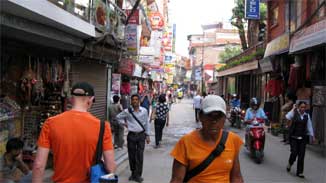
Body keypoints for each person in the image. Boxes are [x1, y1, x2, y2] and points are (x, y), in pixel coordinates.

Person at [32, 82, 116, 183]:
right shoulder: (103, 126)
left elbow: (38, 165)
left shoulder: (50, 123)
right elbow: (110, 166)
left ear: (71, 100)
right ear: (91, 100)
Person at [170, 95, 244, 183]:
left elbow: (236, 177)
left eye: (218, 116)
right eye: (209, 116)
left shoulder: (233, 140)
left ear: (224, 119)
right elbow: (177, 179)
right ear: (200, 117)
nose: (214, 121)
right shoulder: (186, 142)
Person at [116, 94, 151, 183]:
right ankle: (133, 173)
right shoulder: (127, 111)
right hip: (131, 135)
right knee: (131, 155)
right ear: (131, 101)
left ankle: (138, 175)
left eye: (136, 99)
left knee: (139, 155)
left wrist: (147, 135)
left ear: (139, 101)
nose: (135, 101)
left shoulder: (144, 111)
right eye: (133, 100)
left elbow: (147, 123)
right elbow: (118, 117)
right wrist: (124, 124)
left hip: (141, 135)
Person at [285, 101, 315, 178]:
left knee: (301, 155)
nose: (303, 109)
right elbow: (287, 117)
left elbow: (309, 126)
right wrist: (293, 109)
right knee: (294, 152)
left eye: (304, 107)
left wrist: (312, 136)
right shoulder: (294, 113)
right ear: (298, 107)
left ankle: (300, 172)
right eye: (301, 107)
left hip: (303, 138)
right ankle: (290, 163)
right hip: (294, 137)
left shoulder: (306, 116)